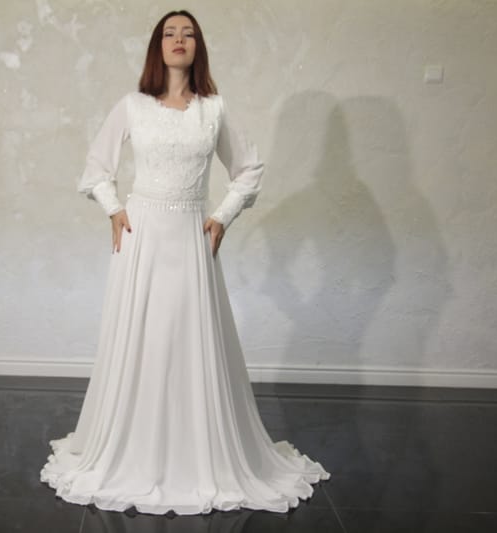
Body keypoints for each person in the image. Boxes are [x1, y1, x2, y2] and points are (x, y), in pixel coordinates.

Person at [40, 9, 330, 515]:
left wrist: (222, 217)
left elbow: (248, 169)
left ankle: (197, 455)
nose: (179, 39)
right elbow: (96, 167)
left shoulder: (213, 110)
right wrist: (114, 209)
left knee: (192, 340)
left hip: (192, 240)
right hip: (143, 238)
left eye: (188, 33)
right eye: (170, 33)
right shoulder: (133, 105)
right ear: (158, 46)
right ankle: (136, 451)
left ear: (199, 47)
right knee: (146, 338)